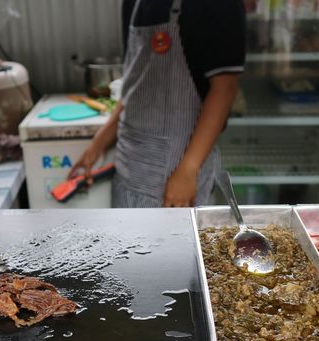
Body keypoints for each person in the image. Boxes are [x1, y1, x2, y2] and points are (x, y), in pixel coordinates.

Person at [70, 0, 245, 208]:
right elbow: (135, 86)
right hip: (129, 167)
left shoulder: (219, 5)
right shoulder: (133, 4)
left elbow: (225, 89)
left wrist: (189, 169)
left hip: (177, 173)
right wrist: (97, 145)